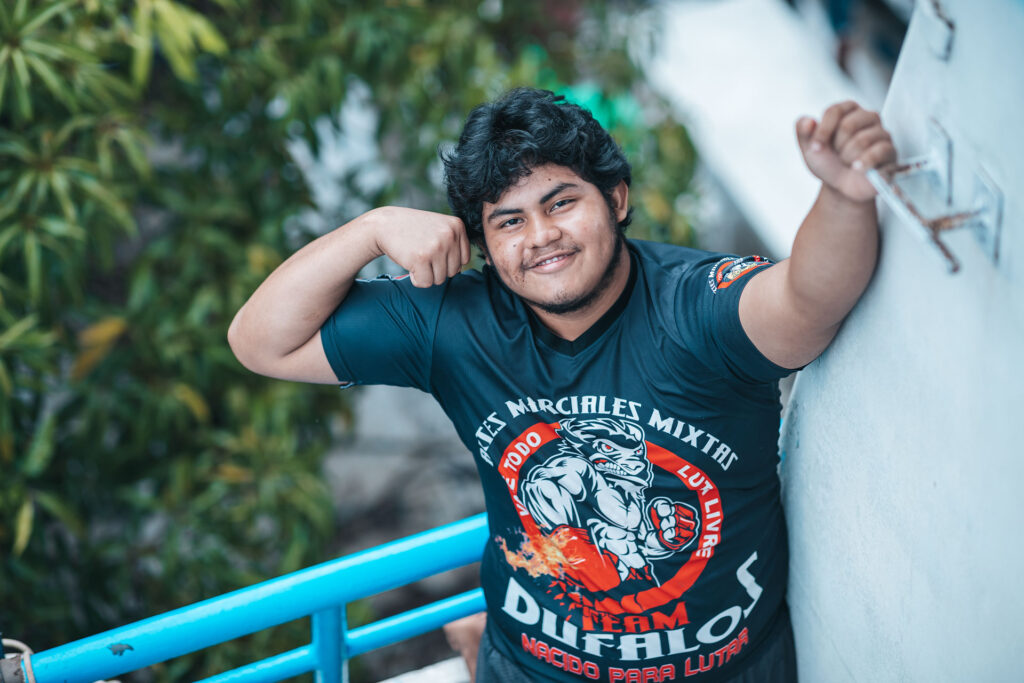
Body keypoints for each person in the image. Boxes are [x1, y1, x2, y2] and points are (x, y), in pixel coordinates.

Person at [228, 88, 894, 682]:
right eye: (509, 221)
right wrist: (369, 229)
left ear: (617, 198)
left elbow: (808, 300)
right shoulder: (455, 323)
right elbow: (261, 342)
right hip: (529, 667)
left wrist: (843, 196)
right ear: (484, 244)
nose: (542, 236)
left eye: (562, 202)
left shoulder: (695, 309)